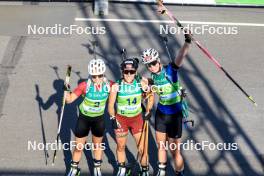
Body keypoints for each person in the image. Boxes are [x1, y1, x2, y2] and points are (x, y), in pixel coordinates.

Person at [141, 34, 192, 176]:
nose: (151, 67)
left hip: (175, 115)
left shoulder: (170, 70)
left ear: (158, 60)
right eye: (148, 65)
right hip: (161, 114)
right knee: (161, 146)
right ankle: (161, 171)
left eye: (152, 63)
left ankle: (179, 172)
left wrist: (187, 42)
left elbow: (180, 57)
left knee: (175, 150)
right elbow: (148, 86)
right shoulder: (153, 78)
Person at [65, 59, 113, 176]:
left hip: (98, 120)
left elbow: (126, 86)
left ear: (103, 74)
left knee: (97, 146)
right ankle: (74, 169)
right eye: (94, 76)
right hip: (84, 120)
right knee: (79, 147)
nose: (97, 79)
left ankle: (97, 169)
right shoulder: (84, 86)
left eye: (100, 76)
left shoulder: (110, 85)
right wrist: (66, 90)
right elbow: (69, 100)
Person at [108, 57, 154, 176]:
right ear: (122, 71)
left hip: (136, 119)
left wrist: (149, 110)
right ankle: (122, 169)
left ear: (136, 72)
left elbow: (150, 96)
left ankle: (144, 170)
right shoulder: (116, 86)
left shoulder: (141, 83)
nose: (128, 74)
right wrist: (113, 118)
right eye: (126, 72)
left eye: (132, 72)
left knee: (142, 148)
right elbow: (110, 105)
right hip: (121, 120)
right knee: (121, 146)